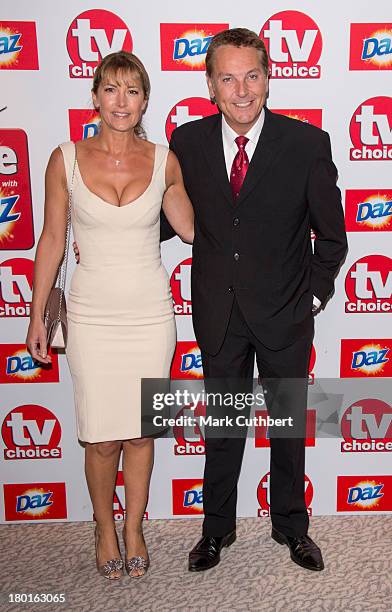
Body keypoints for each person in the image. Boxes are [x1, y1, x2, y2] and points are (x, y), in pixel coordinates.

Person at [166, 28, 348, 572]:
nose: (241, 90)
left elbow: (332, 238)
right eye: (228, 78)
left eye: (251, 76)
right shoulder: (188, 144)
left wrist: (311, 300)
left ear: (268, 79)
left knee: (289, 429)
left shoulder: (306, 144)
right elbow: (166, 221)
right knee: (222, 430)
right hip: (220, 315)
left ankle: (292, 528)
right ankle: (216, 531)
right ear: (210, 85)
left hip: (287, 315)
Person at [26, 51, 194, 580]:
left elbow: (191, 229)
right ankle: (104, 527)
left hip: (150, 315)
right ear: (95, 96)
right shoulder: (65, 158)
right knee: (100, 438)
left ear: (145, 100)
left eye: (133, 91)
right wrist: (35, 317)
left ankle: (135, 528)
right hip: (92, 316)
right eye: (111, 89)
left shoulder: (165, 159)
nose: (121, 102)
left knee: (142, 433)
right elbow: (52, 238)